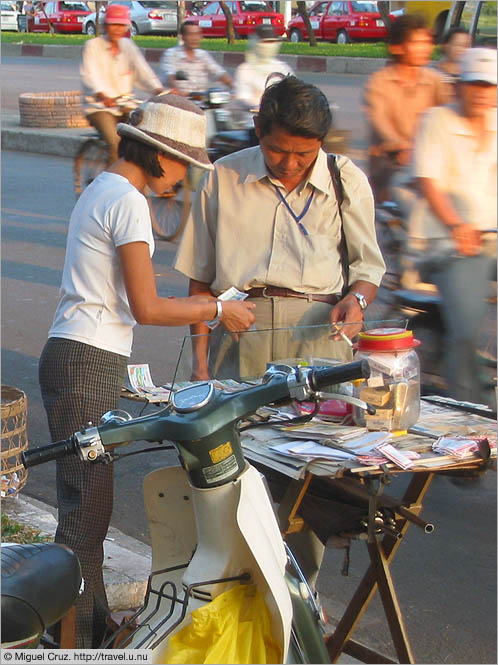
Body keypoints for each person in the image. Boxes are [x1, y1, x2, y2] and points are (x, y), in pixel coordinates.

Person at [38, 93, 255, 649]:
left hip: (82, 356)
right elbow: (148, 306)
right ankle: (74, 641)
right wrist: (217, 309)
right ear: (159, 154)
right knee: (87, 511)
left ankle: (88, 625)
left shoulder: (102, 189)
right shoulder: (128, 200)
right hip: (85, 359)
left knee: (87, 504)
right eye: (182, 165)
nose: (181, 180)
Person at [174, 75, 385, 582]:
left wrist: (356, 300)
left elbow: (367, 269)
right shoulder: (223, 177)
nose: (289, 164)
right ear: (257, 131)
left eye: (302, 154)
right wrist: (201, 364)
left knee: (307, 477)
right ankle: (236, 593)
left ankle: (298, 599)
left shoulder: (344, 179)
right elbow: (201, 281)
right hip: (239, 332)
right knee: (234, 471)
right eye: (276, 151)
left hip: (318, 340)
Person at [407, 47, 497, 404]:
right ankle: (470, 408)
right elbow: (428, 181)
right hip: (447, 242)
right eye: (474, 85)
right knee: (466, 328)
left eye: (489, 86)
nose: (481, 93)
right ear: (459, 86)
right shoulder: (437, 121)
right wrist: (458, 225)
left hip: (490, 238)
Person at [363, 13, 450, 206]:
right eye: (417, 43)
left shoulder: (435, 81)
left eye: (427, 42)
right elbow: (380, 122)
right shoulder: (379, 82)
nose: (424, 48)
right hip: (391, 161)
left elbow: (447, 115)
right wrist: (401, 146)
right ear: (397, 47)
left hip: (428, 159)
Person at [80, 3, 164, 166]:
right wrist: (101, 94)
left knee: (145, 139)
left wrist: (158, 89)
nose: (117, 29)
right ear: (105, 26)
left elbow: (143, 71)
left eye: (121, 25)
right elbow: (89, 75)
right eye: (113, 25)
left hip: (125, 103)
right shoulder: (93, 46)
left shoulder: (129, 46)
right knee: (115, 143)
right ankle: (112, 185)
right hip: (98, 107)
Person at [160, 21, 232, 96]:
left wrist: (234, 86)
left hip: (200, 99)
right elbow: (170, 75)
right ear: (183, 37)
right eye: (190, 34)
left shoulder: (203, 55)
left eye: (197, 34)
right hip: (177, 100)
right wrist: (179, 93)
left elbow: (218, 72)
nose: (195, 38)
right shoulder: (171, 54)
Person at [232, 24, 294, 111]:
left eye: (271, 42)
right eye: (264, 42)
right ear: (255, 43)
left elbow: (292, 95)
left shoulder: (283, 68)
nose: (268, 46)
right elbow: (242, 96)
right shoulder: (245, 69)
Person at [434, 27, 471, 99]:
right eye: (457, 45)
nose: (462, 49)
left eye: (466, 46)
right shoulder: (431, 71)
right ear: (445, 45)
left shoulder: (471, 76)